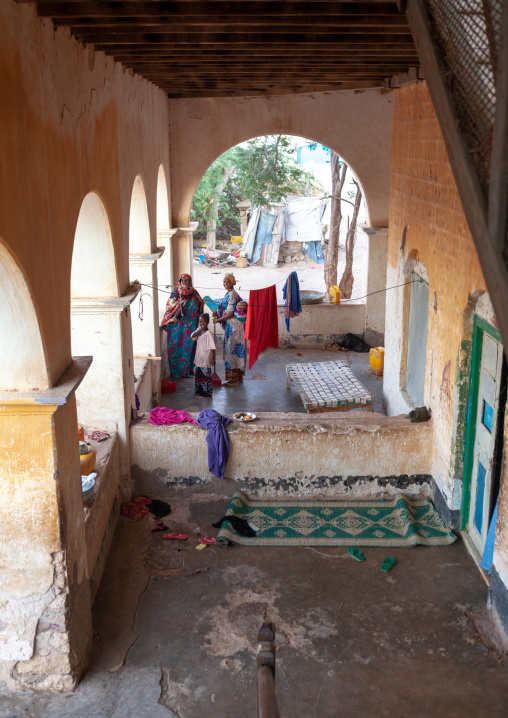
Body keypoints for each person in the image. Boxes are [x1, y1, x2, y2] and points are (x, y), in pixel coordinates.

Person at [160, 273, 204, 378]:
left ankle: (187, 371)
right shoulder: (175, 294)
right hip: (177, 328)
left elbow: (200, 306)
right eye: (186, 281)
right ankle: (176, 372)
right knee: (176, 348)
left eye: (189, 280)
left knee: (189, 349)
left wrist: (200, 302)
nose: (188, 283)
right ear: (181, 281)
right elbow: (169, 309)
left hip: (190, 327)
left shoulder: (194, 293)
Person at [212, 273, 246, 387]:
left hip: (234, 327)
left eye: (228, 282)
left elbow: (230, 313)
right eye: (224, 282)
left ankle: (233, 380)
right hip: (231, 326)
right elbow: (225, 308)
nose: (225, 284)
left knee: (232, 351)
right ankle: (238, 376)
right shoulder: (229, 293)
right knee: (233, 350)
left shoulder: (232, 294)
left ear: (233, 282)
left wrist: (218, 320)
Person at [191, 313, 216, 397]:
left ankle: (206, 392)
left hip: (206, 358)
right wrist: (199, 330)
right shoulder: (198, 330)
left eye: (204, 322)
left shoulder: (209, 334)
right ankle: (198, 391)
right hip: (199, 357)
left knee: (205, 375)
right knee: (198, 374)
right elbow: (192, 336)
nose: (202, 324)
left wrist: (213, 359)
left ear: (208, 322)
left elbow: (212, 348)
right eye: (200, 322)